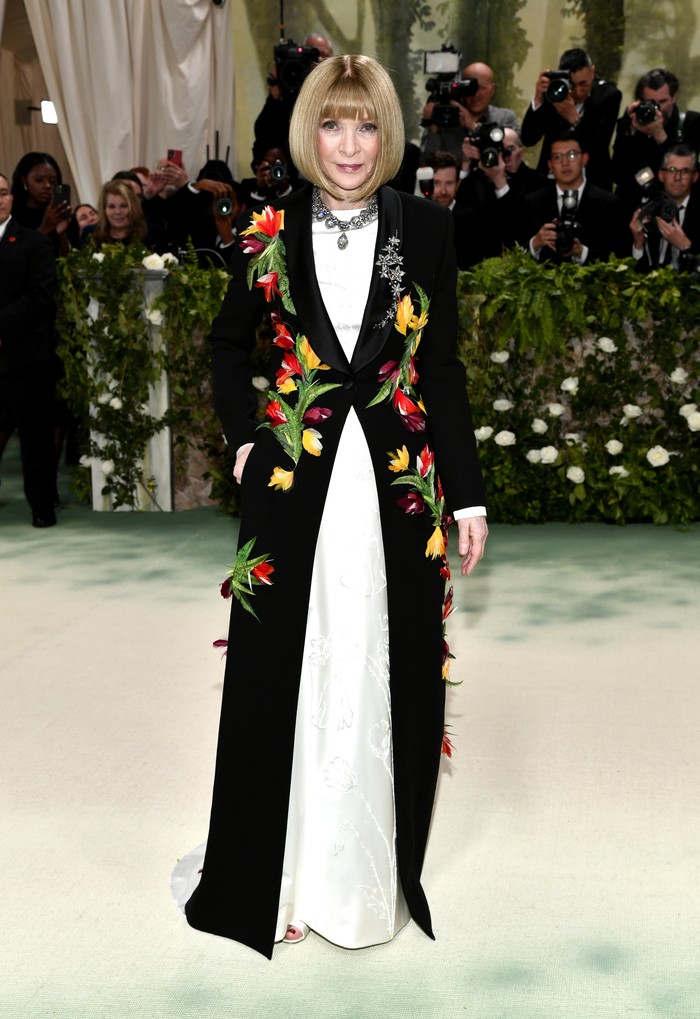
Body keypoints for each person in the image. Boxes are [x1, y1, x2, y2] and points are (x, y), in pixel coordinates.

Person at [176, 54, 488, 959]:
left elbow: (442, 368)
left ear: (387, 134)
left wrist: (466, 494)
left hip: (392, 484)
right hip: (292, 482)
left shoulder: (426, 228)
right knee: (288, 662)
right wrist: (244, 436)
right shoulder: (269, 227)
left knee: (378, 660)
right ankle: (279, 873)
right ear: (307, 131)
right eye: (331, 123)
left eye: (366, 125)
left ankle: (360, 876)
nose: (349, 145)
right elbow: (227, 347)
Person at [0, 172, 58, 527]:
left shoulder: (34, 242)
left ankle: (42, 507)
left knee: (35, 440)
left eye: (3, 192)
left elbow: (40, 295)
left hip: (25, 357)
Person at [521, 48, 621, 190]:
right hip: (551, 182)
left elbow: (599, 145)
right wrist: (538, 100)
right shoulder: (556, 92)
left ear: (592, 72)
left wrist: (574, 118)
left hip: (591, 184)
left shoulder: (608, 96)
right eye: (572, 85)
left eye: (583, 84)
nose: (578, 91)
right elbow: (528, 139)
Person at [521, 132, 625, 265]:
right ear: (550, 165)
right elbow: (513, 255)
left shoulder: (609, 203)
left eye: (571, 155)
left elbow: (618, 257)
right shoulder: (532, 202)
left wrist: (582, 253)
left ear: (584, 159)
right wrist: (535, 243)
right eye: (557, 157)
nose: (565, 163)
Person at [612, 68, 700, 216]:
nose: (658, 109)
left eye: (663, 101)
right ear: (640, 101)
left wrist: (660, 135)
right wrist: (630, 133)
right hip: (632, 209)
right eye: (651, 103)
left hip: (675, 211)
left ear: (673, 97)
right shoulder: (629, 124)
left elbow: (687, 176)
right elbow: (618, 175)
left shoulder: (690, 123)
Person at [456, 128, 546, 258]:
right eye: (498, 150)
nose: (504, 157)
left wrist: (499, 180)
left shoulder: (537, 182)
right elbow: (460, 217)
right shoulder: (477, 180)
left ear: (521, 153)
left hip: (520, 259)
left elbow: (519, 228)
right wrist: (466, 164)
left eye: (509, 150)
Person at [420, 61, 520, 168]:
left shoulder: (505, 118)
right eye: (470, 88)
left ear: (492, 89)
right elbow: (427, 165)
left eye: (482, 88)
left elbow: (510, 160)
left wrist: (473, 126)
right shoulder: (445, 118)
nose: (476, 94)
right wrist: (433, 129)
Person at [630, 145, 700, 270]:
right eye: (672, 170)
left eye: (685, 171)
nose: (677, 177)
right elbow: (635, 273)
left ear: (695, 177)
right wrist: (638, 244)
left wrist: (686, 246)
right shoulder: (647, 209)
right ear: (661, 175)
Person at [424, 151, 481, 268]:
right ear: (427, 184)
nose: (443, 191)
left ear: (458, 184)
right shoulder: (417, 217)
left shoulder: (472, 220)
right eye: (436, 183)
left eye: (449, 183)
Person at [10, 152, 72, 257]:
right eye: (39, 180)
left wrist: (61, 234)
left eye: (52, 181)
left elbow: (70, 259)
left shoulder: (60, 214)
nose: (47, 186)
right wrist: (45, 228)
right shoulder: (12, 216)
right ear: (24, 180)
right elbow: (14, 257)